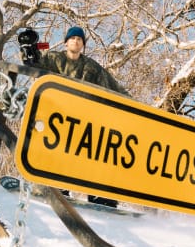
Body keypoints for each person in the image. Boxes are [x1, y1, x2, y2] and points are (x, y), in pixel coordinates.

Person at [32, 23, 129, 206]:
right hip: (57, 116)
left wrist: (133, 104)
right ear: (66, 42)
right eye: (72, 38)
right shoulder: (54, 58)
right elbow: (33, 65)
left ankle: (99, 195)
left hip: (81, 119)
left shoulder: (90, 67)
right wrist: (29, 48)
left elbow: (112, 86)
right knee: (55, 151)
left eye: (79, 39)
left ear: (82, 44)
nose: (76, 41)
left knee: (91, 153)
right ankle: (55, 188)